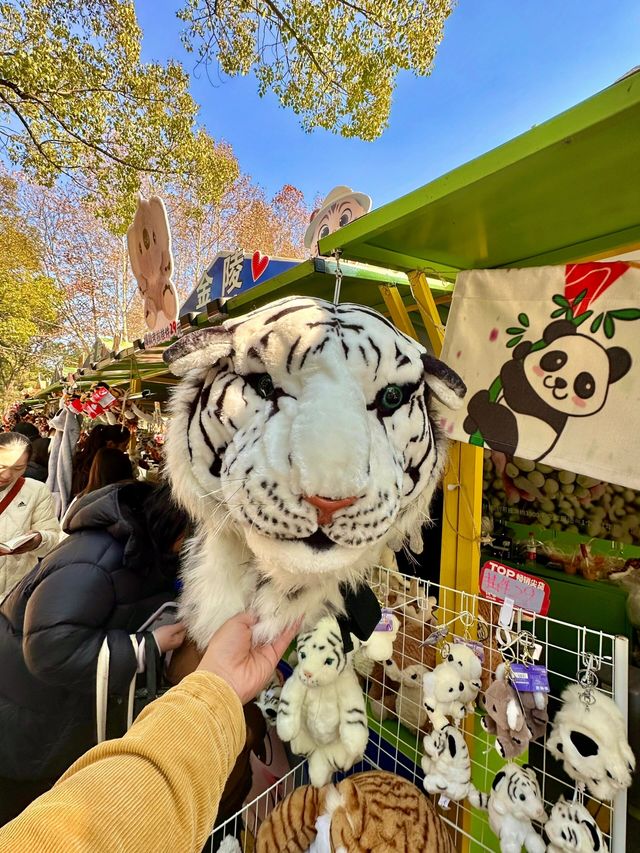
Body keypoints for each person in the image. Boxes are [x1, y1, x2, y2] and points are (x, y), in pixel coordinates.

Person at [0, 613, 297, 853]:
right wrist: (147, 645)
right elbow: (48, 648)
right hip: (33, 740)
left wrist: (220, 687)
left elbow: (97, 825)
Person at [0, 479, 190, 825]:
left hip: (55, 715)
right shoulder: (99, 557)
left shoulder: (145, 553)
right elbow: (51, 649)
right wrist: (149, 645)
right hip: (27, 722)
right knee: (23, 822)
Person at [0, 433, 60, 601]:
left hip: (15, 592)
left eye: (18, 469)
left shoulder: (37, 491)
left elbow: (53, 538)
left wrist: (38, 540)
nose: (6, 475)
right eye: (1, 466)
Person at [71, 424, 131, 497]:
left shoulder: (85, 460)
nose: (125, 450)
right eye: (124, 445)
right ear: (110, 444)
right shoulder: (97, 471)